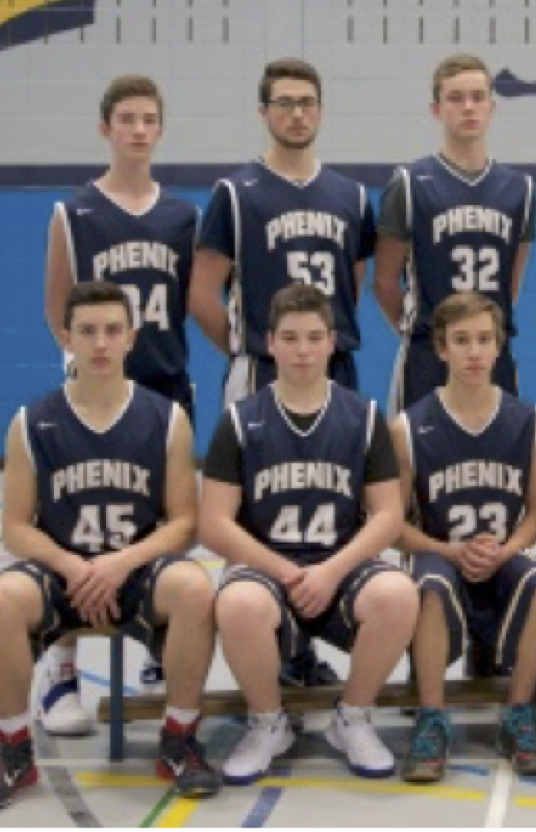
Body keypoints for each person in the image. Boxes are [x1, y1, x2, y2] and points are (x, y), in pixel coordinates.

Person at [0, 282, 220, 812]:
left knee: (195, 588)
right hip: (63, 574)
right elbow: (15, 527)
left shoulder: (167, 418)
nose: (100, 343)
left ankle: (179, 740)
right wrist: (74, 566)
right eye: (87, 331)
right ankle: (14, 750)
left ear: (131, 338)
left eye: (111, 330)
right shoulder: (32, 423)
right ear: (66, 338)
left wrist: (120, 563)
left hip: (138, 570)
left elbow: (184, 524)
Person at [189, 57, 376, 688]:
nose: (297, 114)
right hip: (261, 371)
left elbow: (352, 285)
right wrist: (249, 350)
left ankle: (309, 643)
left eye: (307, 102)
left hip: (334, 371)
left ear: (320, 110)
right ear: (264, 112)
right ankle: (272, 651)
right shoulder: (236, 194)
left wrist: (317, 350)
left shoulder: (351, 196)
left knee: (332, 505)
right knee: (255, 514)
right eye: (285, 103)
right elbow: (203, 293)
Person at [198, 284, 419, 784]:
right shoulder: (239, 421)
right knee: (237, 604)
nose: (303, 350)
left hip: (340, 568)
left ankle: (353, 717)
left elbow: (388, 515)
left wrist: (331, 571)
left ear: (332, 342)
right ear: (270, 342)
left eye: (314, 338)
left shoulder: (363, 417)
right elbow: (213, 523)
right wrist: (286, 571)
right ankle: (267, 722)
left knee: (398, 594)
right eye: (291, 338)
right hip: (268, 570)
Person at [37, 75, 197, 734]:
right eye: (126, 118)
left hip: (165, 385)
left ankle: (160, 646)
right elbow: (56, 309)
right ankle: (61, 665)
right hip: (95, 392)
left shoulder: (183, 217)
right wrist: (89, 370)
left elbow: (192, 301)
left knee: (169, 520)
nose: (137, 129)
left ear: (160, 128)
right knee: (73, 522)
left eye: (148, 119)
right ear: (106, 128)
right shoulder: (73, 214)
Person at [390, 292, 536, 782]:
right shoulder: (408, 427)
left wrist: (507, 550)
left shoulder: (529, 422)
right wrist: (447, 550)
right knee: (430, 586)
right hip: (439, 556)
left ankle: (519, 713)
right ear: (441, 349)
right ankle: (432, 718)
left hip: (501, 558)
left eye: (484, 339)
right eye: (462, 340)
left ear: (499, 346)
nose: (474, 352)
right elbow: (393, 526)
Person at [373, 54, 536, 409]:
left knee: (501, 443)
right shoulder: (409, 184)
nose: (468, 107)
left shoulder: (519, 189)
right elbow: (384, 282)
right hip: (427, 355)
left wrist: (481, 334)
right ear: (436, 109)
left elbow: (511, 284)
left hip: (492, 354)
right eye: (456, 98)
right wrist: (424, 332)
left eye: (478, 97)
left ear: (492, 107)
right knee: (414, 444)